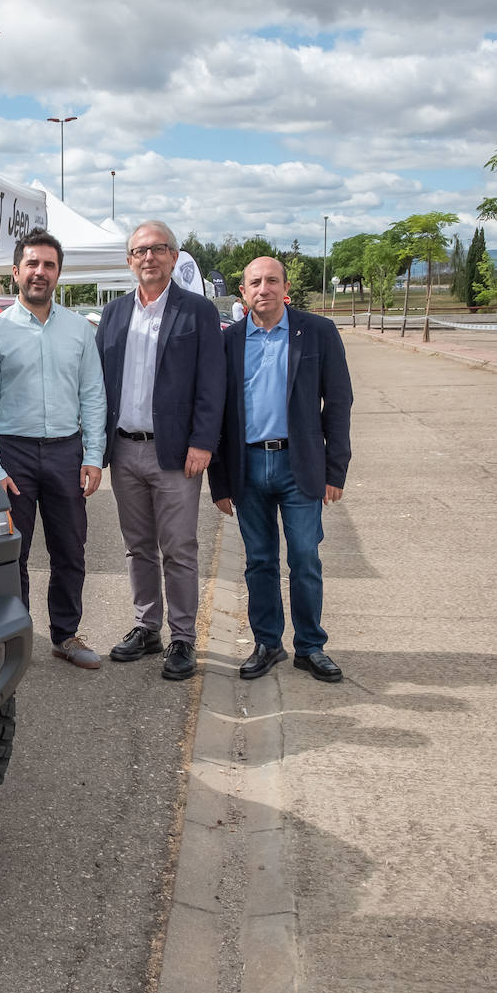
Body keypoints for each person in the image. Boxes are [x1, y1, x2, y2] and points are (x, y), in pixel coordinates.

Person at [208, 256, 353, 682]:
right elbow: (216, 415)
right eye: (255, 282)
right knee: (260, 562)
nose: (264, 289)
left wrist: (335, 469)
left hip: (300, 465)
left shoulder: (318, 333)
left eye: (272, 281)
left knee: (305, 558)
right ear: (243, 292)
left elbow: (339, 403)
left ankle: (310, 646)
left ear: (285, 287)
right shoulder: (229, 341)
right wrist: (219, 482)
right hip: (248, 466)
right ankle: (268, 643)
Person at [96, 221, 226, 680]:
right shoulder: (112, 314)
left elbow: (213, 383)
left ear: (173, 257)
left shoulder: (197, 312)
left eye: (158, 249)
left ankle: (183, 638)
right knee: (138, 548)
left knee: (179, 548)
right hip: (124, 450)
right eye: (139, 251)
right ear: (129, 260)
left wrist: (203, 442)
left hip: (176, 455)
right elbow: (98, 386)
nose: (148, 257)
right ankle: (147, 627)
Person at [0, 228, 106, 670]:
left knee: (71, 549)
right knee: (15, 553)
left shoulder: (78, 331)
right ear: (15, 272)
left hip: (66, 452)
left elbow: (93, 395)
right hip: (14, 456)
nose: (40, 272)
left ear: (59, 274)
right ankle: (18, 635)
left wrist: (91, 454)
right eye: (32, 264)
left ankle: (65, 635)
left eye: (49, 265)